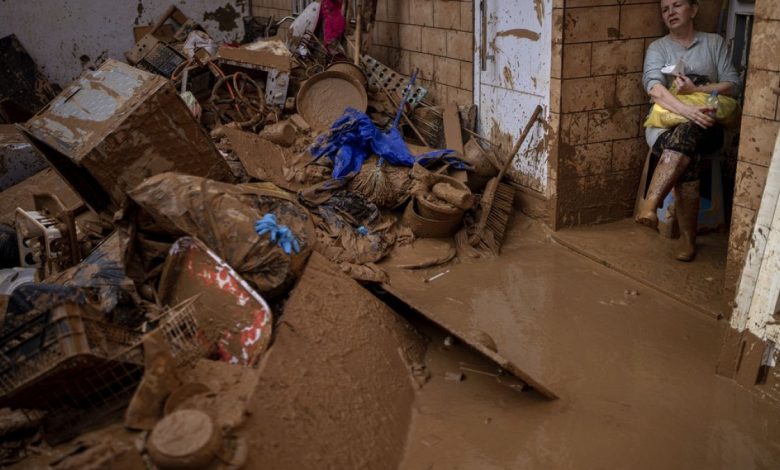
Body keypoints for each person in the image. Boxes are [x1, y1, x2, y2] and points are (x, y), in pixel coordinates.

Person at [638, 0, 741, 261]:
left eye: (677, 5)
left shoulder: (713, 43)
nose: (670, 12)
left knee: (690, 135)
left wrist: (696, 91)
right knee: (687, 142)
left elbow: (733, 84)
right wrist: (687, 111)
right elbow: (653, 88)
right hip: (666, 127)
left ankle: (651, 203)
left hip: (709, 125)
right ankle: (688, 241)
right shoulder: (659, 48)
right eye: (665, 9)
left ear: (693, 10)